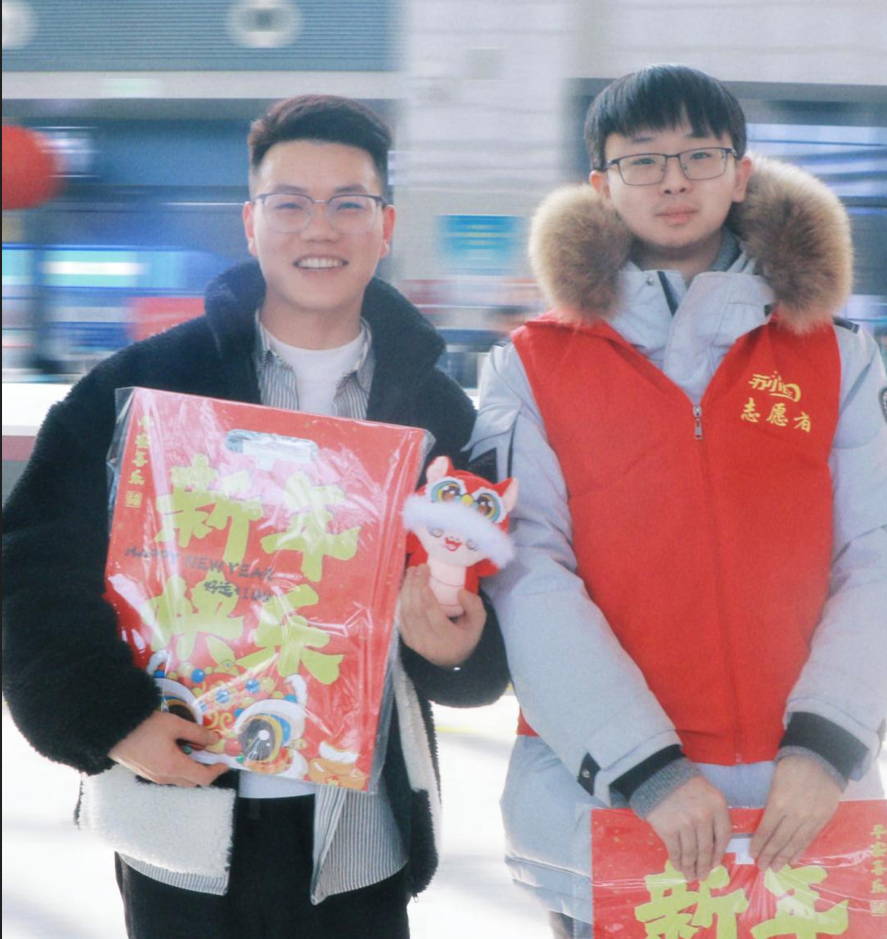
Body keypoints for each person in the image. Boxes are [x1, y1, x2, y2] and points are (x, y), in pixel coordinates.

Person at [2, 94, 509, 939]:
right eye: (291, 203)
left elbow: (483, 624)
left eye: (349, 203)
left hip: (359, 837)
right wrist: (111, 721)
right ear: (251, 221)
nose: (321, 228)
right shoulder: (144, 389)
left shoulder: (437, 417)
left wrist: (456, 644)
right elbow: (32, 567)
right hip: (182, 816)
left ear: (386, 225)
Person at [467, 64, 887, 936]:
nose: (674, 180)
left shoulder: (832, 353)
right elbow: (528, 573)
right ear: (602, 185)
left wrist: (827, 744)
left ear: (741, 173)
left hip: (803, 810)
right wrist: (645, 769)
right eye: (642, 159)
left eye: (699, 155)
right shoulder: (532, 364)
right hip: (615, 809)